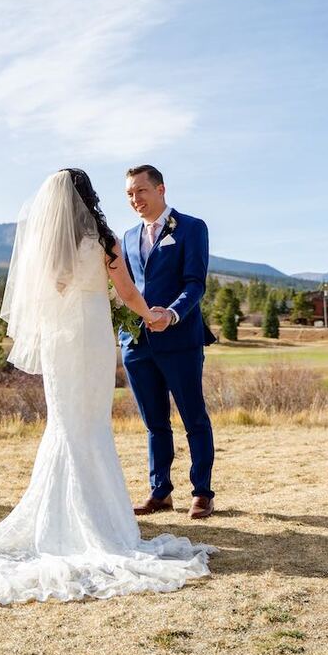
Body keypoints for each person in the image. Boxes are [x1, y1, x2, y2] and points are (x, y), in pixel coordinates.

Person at [0, 169, 214, 602]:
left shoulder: (49, 246)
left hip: (61, 343)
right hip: (90, 340)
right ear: (87, 197)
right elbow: (127, 293)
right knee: (90, 423)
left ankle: (64, 515)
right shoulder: (106, 241)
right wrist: (151, 315)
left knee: (65, 424)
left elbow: (53, 291)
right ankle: (98, 518)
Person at [119, 164, 218, 520]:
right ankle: (160, 492)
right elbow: (125, 288)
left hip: (180, 340)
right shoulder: (127, 237)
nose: (135, 199)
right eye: (130, 194)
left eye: (141, 191)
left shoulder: (192, 228)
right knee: (154, 423)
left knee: (194, 417)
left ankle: (202, 492)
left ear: (161, 190)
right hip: (137, 344)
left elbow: (195, 284)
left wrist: (171, 314)